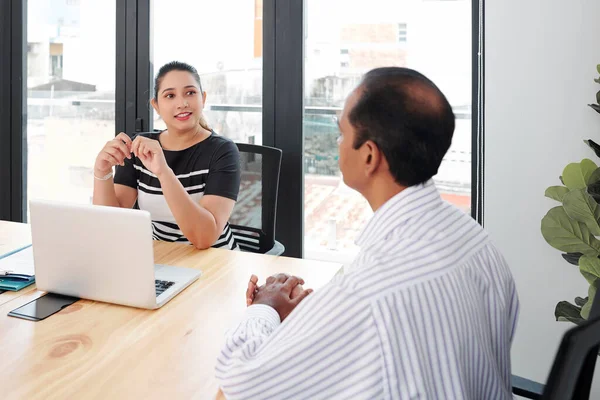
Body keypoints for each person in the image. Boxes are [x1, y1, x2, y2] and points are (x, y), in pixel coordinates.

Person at [215, 67, 519, 399]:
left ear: (370, 156)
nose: (338, 143)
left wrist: (266, 307)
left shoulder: (366, 294)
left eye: (341, 132)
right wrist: (317, 322)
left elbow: (240, 382)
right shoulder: (476, 240)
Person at [92, 61, 241, 250]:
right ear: (156, 105)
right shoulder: (139, 146)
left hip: (215, 260)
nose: (182, 103)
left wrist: (163, 172)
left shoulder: (223, 151)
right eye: (170, 95)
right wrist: (102, 172)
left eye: (190, 93)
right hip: (161, 258)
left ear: (203, 98)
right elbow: (111, 223)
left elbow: (204, 238)